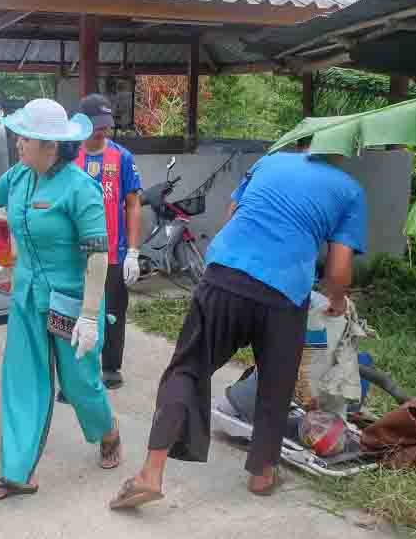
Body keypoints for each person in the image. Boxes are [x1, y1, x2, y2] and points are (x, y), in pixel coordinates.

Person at [109, 148, 367, 508]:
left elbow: (232, 214)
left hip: (225, 276)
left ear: (304, 142)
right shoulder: (350, 190)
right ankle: (262, 474)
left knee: (187, 369)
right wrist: (337, 302)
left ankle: (150, 473)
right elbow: (338, 271)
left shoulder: (270, 161)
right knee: (276, 384)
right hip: (284, 294)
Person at [0, 98, 123, 502]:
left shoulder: (80, 188)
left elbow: (98, 255)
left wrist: (90, 316)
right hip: (27, 298)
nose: (18, 143)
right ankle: (16, 473)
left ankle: (108, 431)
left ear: (50, 145)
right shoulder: (21, 176)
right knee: (21, 379)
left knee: (79, 384)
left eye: (25, 138)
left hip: (68, 304)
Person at [70, 94, 142, 390]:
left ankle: (111, 366)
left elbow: (133, 204)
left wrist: (133, 252)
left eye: (106, 125)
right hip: (75, 254)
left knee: (113, 313)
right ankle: (75, 371)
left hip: (113, 253)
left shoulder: (122, 157)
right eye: (97, 125)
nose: (103, 130)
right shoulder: (68, 156)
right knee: (73, 310)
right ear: (82, 124)